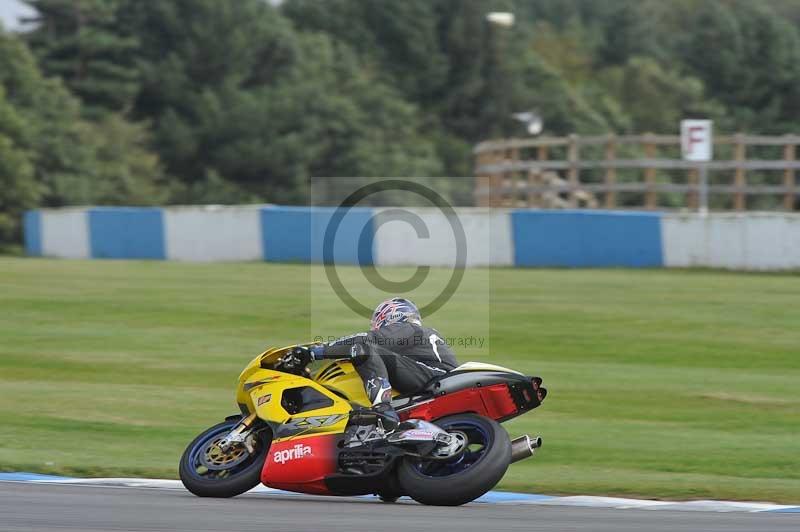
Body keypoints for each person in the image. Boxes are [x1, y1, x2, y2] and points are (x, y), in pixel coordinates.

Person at [301, 297, 458, 431]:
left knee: (363, 348)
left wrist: (315, 352)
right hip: (434, 378)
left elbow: (364, 340)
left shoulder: (408, 328)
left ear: (391, 316)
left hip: (435, 378)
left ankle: (383, 409)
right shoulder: (419, 335)